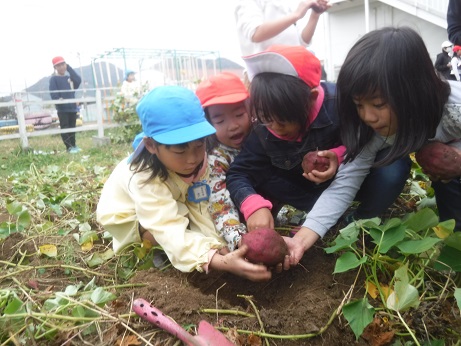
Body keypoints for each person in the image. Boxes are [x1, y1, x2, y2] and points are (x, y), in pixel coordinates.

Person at [284, 27, 461, 268]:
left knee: (441, 164)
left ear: (414, 91)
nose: (368, 116)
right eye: (359, 104)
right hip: (442, 159)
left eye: (378, 104)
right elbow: (345, 183)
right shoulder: (373, 130)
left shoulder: (456, 109)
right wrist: (301, 240)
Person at [226, 45, 411, 236]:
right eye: (266, 118)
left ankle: (360, 220)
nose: (275, 127)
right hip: (304, 194)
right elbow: (238, 173)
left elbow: (371, 139)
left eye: (283, 121)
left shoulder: (343, 104)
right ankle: (312, 218)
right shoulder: (262, 126)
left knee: (393, 165)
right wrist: (253, 204)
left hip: (352, 184)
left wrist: (340, 156)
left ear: (311, 99)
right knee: (259, 173)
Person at [96, 85, 271, 281]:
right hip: (131, 216)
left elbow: (204, 205)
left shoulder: (200, 159)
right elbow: (166, 227)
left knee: (195, 222)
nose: (192, 159)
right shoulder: (144, 177)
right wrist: (216, 260)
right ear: (151, 146)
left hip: (179, 201)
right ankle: (159, 254)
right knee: (160, 234)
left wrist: (228, 245)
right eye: (180, 151)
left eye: (199, 145)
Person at [195, 72, 251, 251]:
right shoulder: (215, 160)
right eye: (220, 120)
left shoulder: (259, 139)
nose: (233, 125)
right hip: (230, 219)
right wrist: (238, 239)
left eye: (239, 114)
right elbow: (220, 205)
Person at [234, 0, 330, 56]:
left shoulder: (288, 3)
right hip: (265, 77)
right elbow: (255, 33)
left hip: (293, 71)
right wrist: (296, 15)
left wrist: (315, 15)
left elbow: (302, 42)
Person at [49, 56, 82, 153]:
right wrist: (59, 100)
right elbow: (53, 94)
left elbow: (78, 80)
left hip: (72, 107)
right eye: (58, 65)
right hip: (62, 109)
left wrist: (69, 68)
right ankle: (69, 147)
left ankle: (74, 145)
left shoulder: (69, 78)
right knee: (65, 128)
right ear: (55, 67)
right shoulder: (54, 79)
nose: (61, 67)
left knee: (72, 127)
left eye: (63, 64)